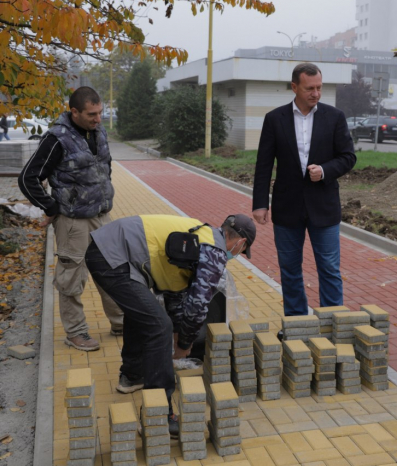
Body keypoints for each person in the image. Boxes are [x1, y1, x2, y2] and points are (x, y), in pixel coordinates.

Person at [84, 213, 256, 436]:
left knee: (144, 313)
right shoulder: (213, 251)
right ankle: (158, 416)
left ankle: (133, 375)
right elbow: (197, 307)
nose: (238, 255)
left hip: (107, 249)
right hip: (111, 256)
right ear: (241, 242)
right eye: (242, 252)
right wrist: (185, 343)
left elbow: (175, 294)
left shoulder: (197, 237)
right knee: (158, 326)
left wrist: (178, 333)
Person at [18, 87, 123, 351]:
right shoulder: (56, 139)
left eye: (100, 113)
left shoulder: (99, 132)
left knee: (112, 272)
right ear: (73, 111)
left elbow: (105, 168)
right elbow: (27, 177)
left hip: (102, 215)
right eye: (91, 114)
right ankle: (76, 333)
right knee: (71, 278)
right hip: (73, 222)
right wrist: (51, 207)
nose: (98, 119)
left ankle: (121, 322)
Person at [252, 62, 356, 319]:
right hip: (287, 209)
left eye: (319, 88)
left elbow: (348, 157)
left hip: (324, 206)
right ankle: (297, 322)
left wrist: (324, 170)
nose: (316, 93)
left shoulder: (334, 117)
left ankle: (334, 323)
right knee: (289, 269)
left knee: (329, 269)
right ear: (295, 87)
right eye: (310, 88)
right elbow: (264, 164)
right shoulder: (275, 119)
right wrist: (260, 203)